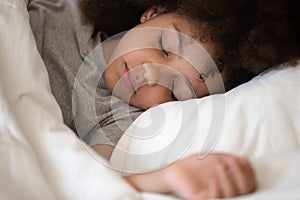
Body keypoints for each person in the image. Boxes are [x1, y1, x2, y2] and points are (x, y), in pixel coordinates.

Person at [27, 0, 297, 199]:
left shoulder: (115, 120)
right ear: (152, 12)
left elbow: (97, 183)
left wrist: (170, 176)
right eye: (164, 48)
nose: (150, 75)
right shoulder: (63, 10)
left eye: (174, 90)